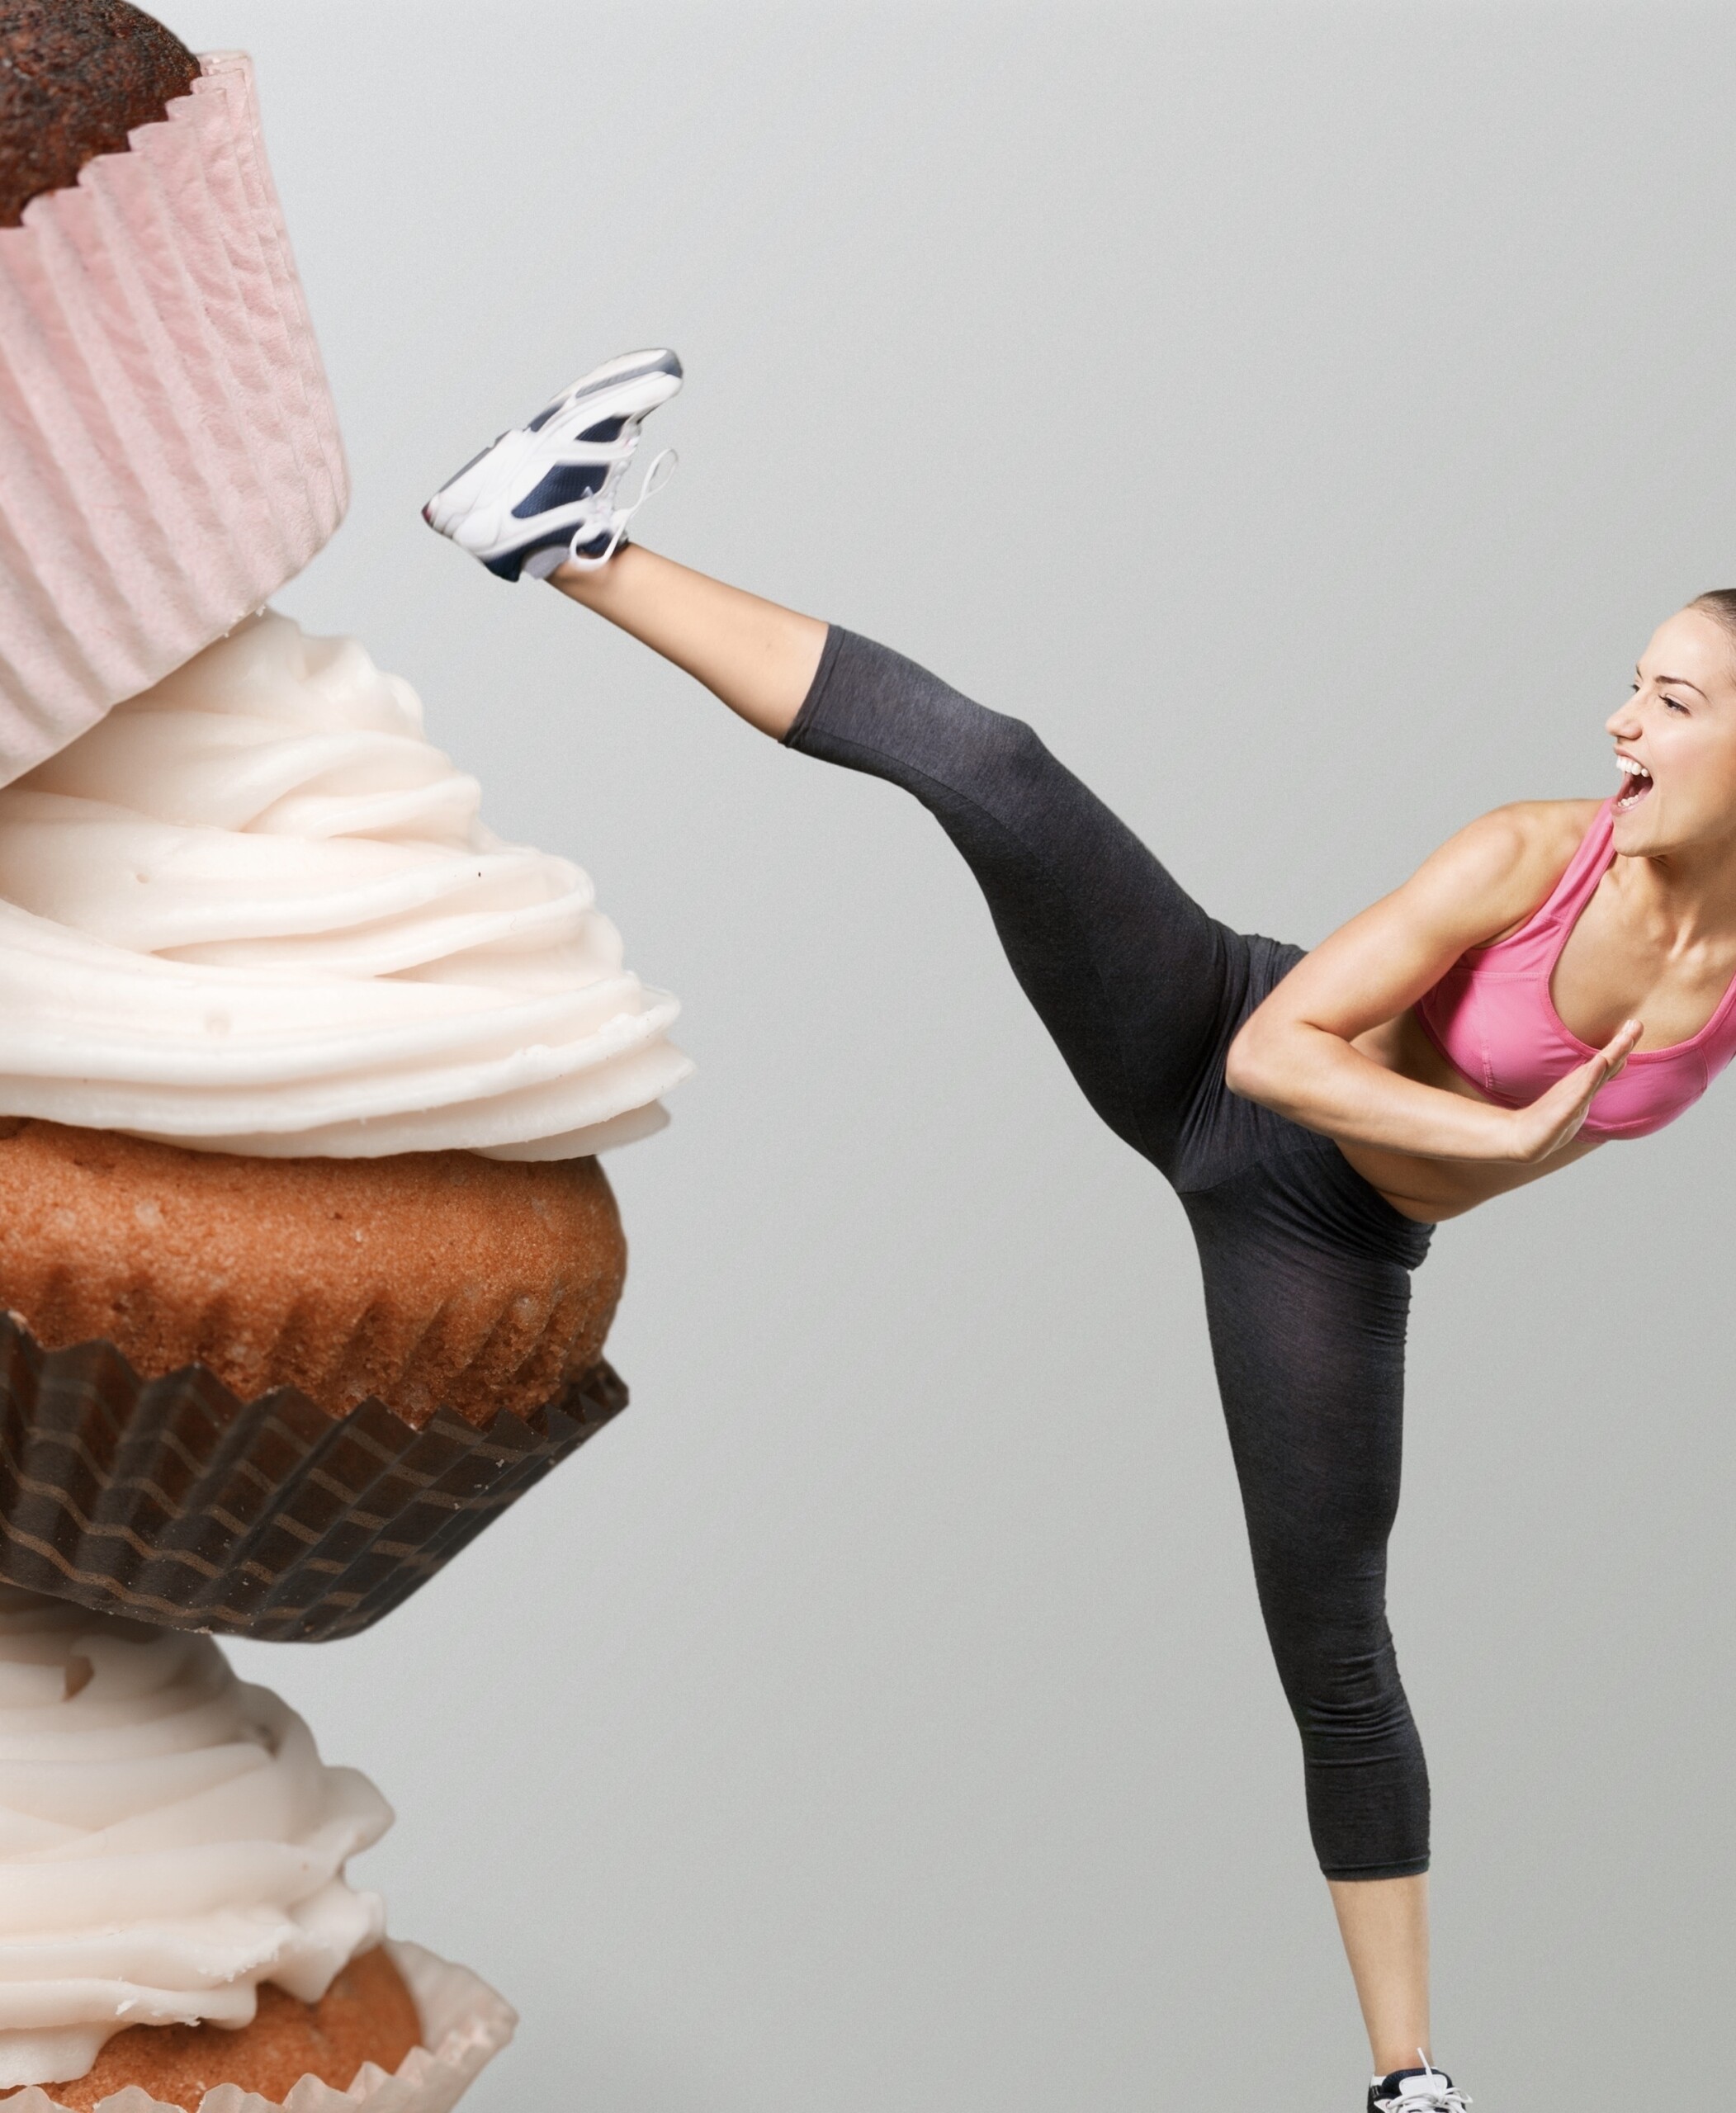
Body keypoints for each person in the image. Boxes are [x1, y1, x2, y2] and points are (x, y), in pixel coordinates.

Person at [423, 351, 1736, 2113]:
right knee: (1001, 775)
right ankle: (566, 542)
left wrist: (1486, 1147)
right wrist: (1502, 1125)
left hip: (1330, 1250)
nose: (1618, 725)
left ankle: (1409, 2080)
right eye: (1631, 688)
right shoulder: (1527, 852)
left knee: (1334, 1644)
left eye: (1667, 702)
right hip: (1210, 1041)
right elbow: (1280, 1058)